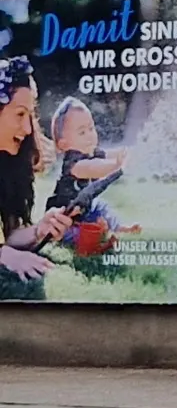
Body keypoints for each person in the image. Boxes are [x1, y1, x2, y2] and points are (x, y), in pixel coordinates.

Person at [0, 56, 71, 286]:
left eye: (30, 115)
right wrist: (5, 256)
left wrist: (40, 230)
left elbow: (9, 236)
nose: (28, 128)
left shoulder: (8, 165)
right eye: (20, 114)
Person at [44, 97, 138, 254]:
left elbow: (107, 154)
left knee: (102, 207)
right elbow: (93, 168)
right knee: (73, 234)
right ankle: (95, 241)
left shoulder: (91, 151)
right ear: (64, 144)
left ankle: (118, 227)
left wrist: (125, 152)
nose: (89, 135)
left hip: (87, 209)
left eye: (91, 128)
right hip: (67, 218)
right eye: (82, 132)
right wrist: (115, 165)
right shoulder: (73, 164)